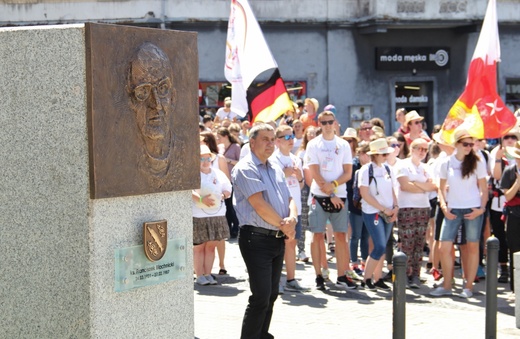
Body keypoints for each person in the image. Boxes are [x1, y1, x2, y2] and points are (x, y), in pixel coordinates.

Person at [232, 124, 297, 339]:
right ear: (252, 142)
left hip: (276, 238)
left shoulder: (275, 168)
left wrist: (293, 219)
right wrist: (284, 224)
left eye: (272, 139)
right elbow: (258, 205)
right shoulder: (245, 168)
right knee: (260, 296)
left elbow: (289, 199)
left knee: (271, 294)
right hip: (256, 239)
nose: (270, 143)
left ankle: (261, 335)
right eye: (265, 139)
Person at [430, 129, 488, 299]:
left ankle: (468, 286)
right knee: (443, 246)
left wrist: (481, 209)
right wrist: (443, 206)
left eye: (471, 144)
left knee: (472, 246)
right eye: (466, 144)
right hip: (453, 208)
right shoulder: (445, 163)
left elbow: (484, 189)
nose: (469, 147)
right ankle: (447, 284)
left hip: (473, 209)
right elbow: (440, 188)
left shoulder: (477, 162)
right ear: (456, 144)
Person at [305, 111, 356, 290]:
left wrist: (333, 186)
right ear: (319, 124)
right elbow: (314, 171)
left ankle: (342, 275)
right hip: (319, 195)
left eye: (330, 122)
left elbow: (348, 172)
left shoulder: (343, 145)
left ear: (335, 123)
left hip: (339, 194)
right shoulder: (313, 144)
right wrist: (328, 191)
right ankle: (319, 275)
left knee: (341, 235)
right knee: (317, 235)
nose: (327, 125)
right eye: (324, 122)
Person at [127, 42, 175, 179]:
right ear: (131, 101)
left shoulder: (188, 150)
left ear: (173, 97)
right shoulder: (118, 156)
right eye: (143, 90)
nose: (156, 104)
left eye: (162, 89)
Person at [395, 138, 438, 288]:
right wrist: (424, 186)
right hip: (406, 207)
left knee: (419, 243)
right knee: (407, 242)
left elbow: (434, 186)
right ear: (412, 149)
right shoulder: (403, 165)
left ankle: (416, 275)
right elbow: (405, 186)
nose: (422, 152)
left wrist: (417, 184)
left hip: (423, 207)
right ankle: (404, 274)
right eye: (419, 148)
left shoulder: (427, 167)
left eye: (425, 149)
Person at [270, 125, 306, 293]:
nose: (291, 140)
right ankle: (275, 280)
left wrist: (299, 177)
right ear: (277, 141)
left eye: (291, 136)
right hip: (279, 208)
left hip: (295, 209)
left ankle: (291, 278)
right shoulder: (273, 159)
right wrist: (285, 173)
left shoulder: (296, 158)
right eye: (286, 137)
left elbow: (301, 185)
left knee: (291, 243)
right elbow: (273, 181)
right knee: (277, 246)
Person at [358, 138, 398, 291]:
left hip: (387, 212)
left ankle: (377, 278)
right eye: (382, 154)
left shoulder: (388, 169)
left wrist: (396, 207)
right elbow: (365, 194)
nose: (385, 156)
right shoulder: (366, 170)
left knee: (381, 245)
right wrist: (383, 209)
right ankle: (367, 278)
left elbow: (393, 190)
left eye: (386, 153)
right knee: (380, 246)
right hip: (372, 211)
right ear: (374, 155)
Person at [192, 145, 231, 285]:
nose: (205, 161)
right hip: (198, 215)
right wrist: (201, 199)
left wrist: (223, 194)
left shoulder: (218, 173)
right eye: (202, 158)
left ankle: (208, 273)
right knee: (199, 247)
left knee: (211, 247)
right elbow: (189, 191)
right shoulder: (193, 174)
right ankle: (199, 275)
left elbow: (228, 189)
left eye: (208, 158)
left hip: (217, 214)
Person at [489, 126, 520, 284]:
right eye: (506, 137)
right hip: (502, 206)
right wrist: (499, 159)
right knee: (503, 239)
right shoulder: (497, 154)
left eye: (513, 137)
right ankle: (505, 270)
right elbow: (497, 177)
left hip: (514, 206)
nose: (509, 140)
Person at [200, 131, 231, 275]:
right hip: (200, 205)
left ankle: (222, 264)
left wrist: (222, 194)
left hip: (218, 201)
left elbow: (226, 180)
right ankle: (201, 270)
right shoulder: (196, 158)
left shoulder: (219, 159)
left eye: (203, 140)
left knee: (218, 238)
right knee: (202, 242)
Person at [499, 140, 520, 292]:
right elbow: (507, 196)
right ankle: (515, 287)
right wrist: (518, 182)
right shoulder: (509, 171)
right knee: (514, 249)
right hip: (514, 215)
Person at [216, 127, 242, 238]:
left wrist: (228, 161)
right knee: (226, 205)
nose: (218, 139)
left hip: (233, 179)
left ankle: (236, 227)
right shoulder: (220, 147)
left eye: (219, 136)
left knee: (231, 205)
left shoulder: (236, 147)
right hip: (223, 179)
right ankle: (229, 228)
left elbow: (241, 162)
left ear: (226, 136)